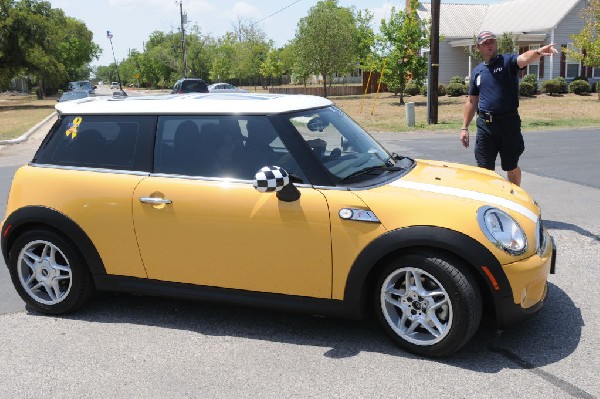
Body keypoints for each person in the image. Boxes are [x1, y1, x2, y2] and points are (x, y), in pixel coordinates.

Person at [460, 31, 558, 186]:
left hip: (508, 124)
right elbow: (472, 101)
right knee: (484, 169)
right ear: (479, 47)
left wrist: (538, 52)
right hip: (486, 126)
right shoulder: (477, 71)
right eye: (485, 43)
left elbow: (524, 58)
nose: (489, 45)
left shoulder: (507, 62)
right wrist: (464, 128)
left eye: (492, 41)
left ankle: (515, 198)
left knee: (510, 166)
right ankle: (491, 200)